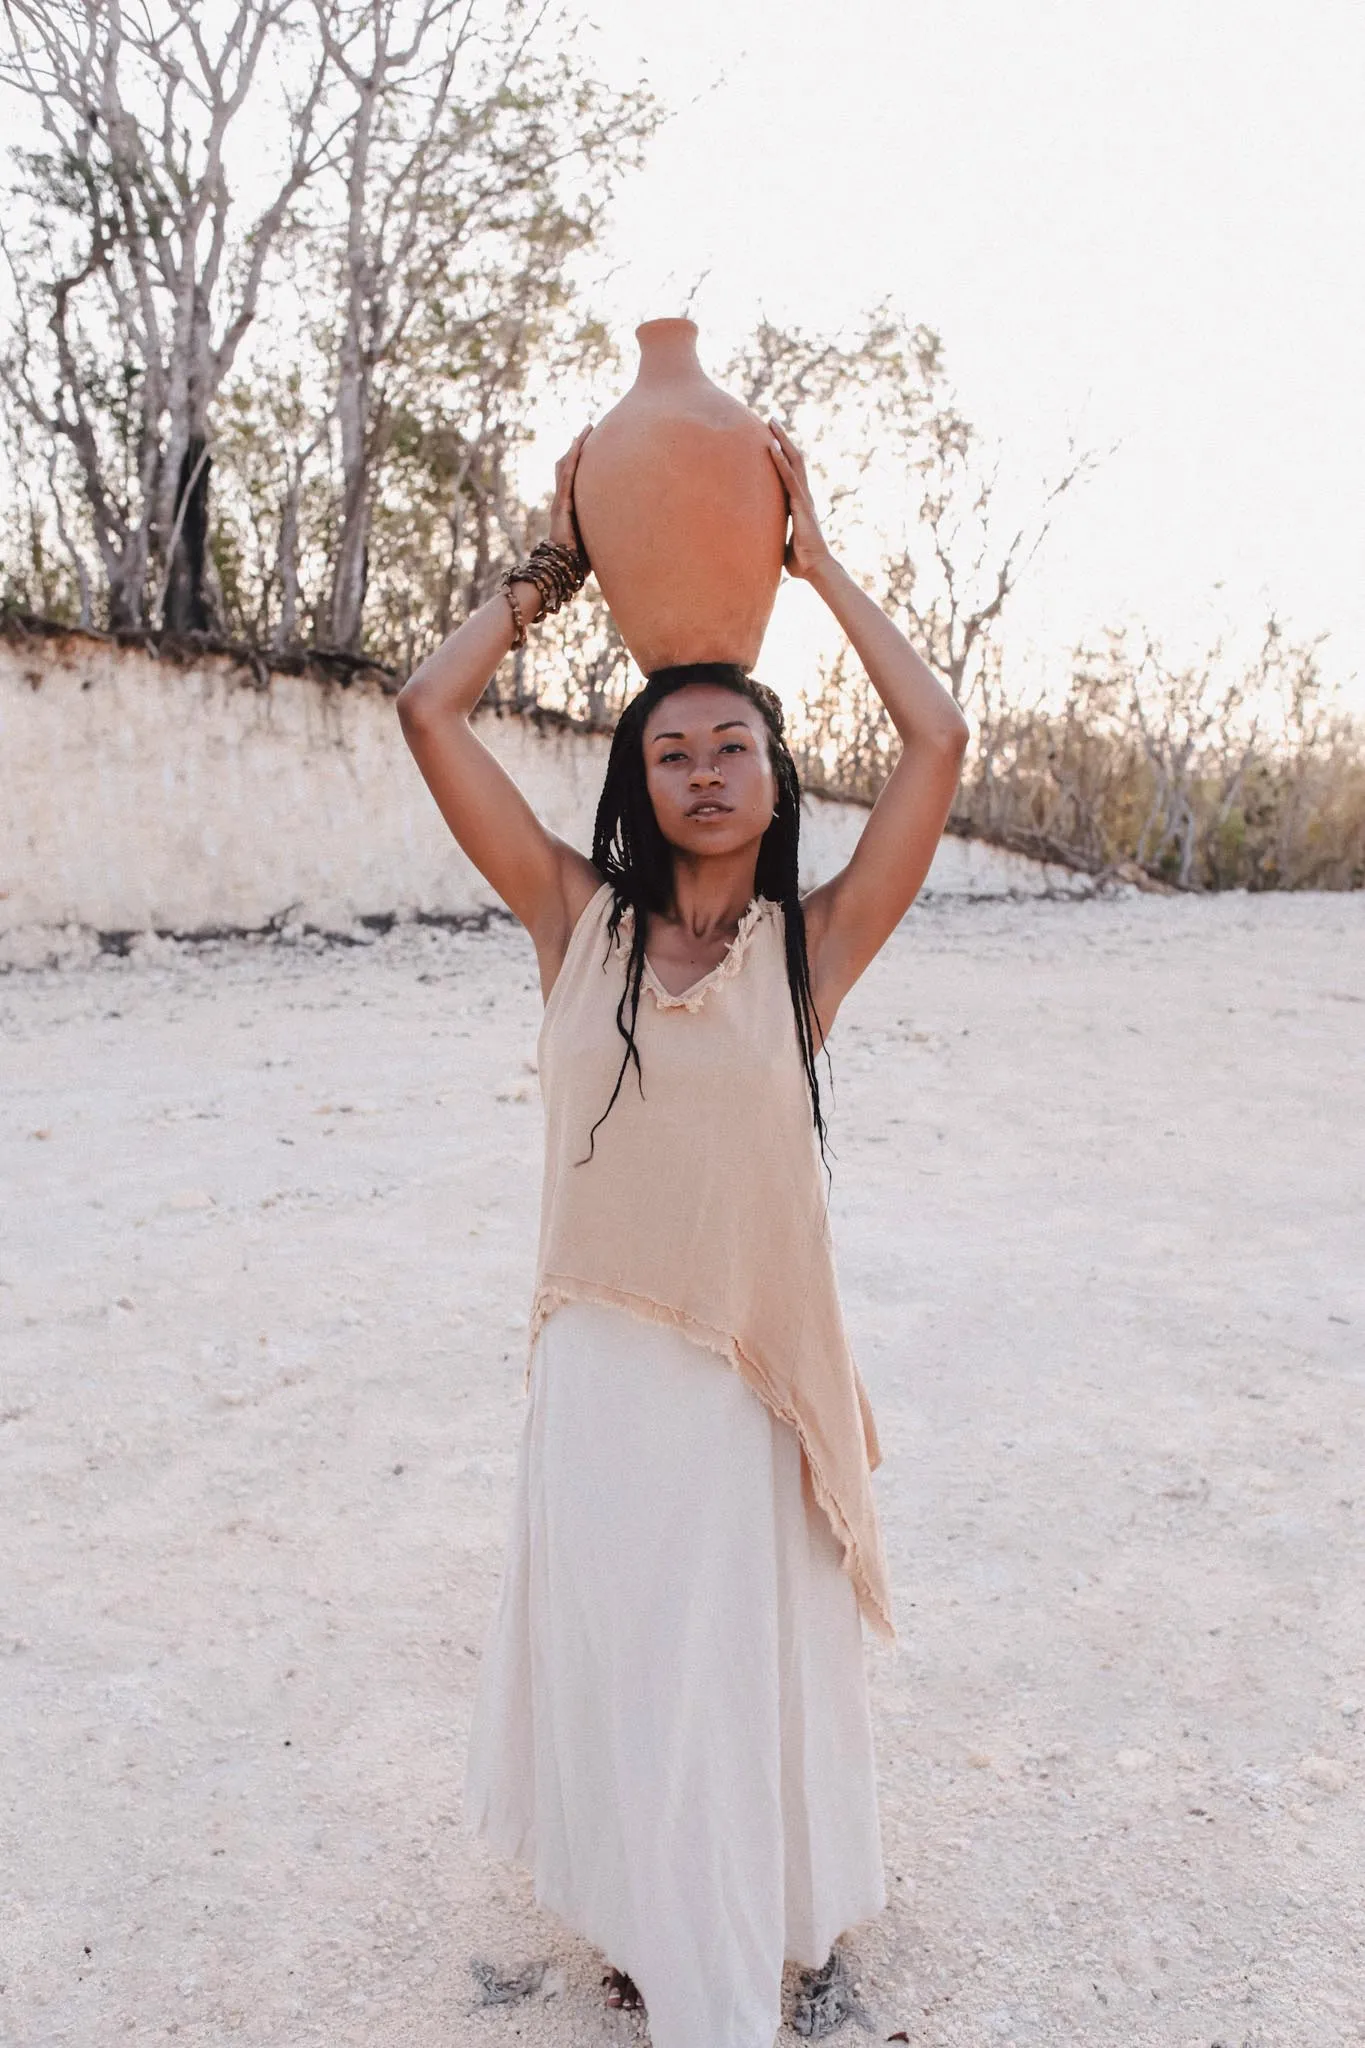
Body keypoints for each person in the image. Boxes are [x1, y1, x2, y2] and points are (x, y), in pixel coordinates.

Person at [396, 418, 969, 2047]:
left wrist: (810, 558)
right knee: (624, 1658)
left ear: (776, 775)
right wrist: (553, 569)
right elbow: (426, 711)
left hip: (739, 1383)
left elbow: (937, 740)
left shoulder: (816, 952)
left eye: (736, 746)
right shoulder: (571, 924)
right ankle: (650, 1920)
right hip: (599, 1367)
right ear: (637, 784)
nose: (706, 771)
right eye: (674, 753)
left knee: (726, 1673)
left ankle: (747, 1923)